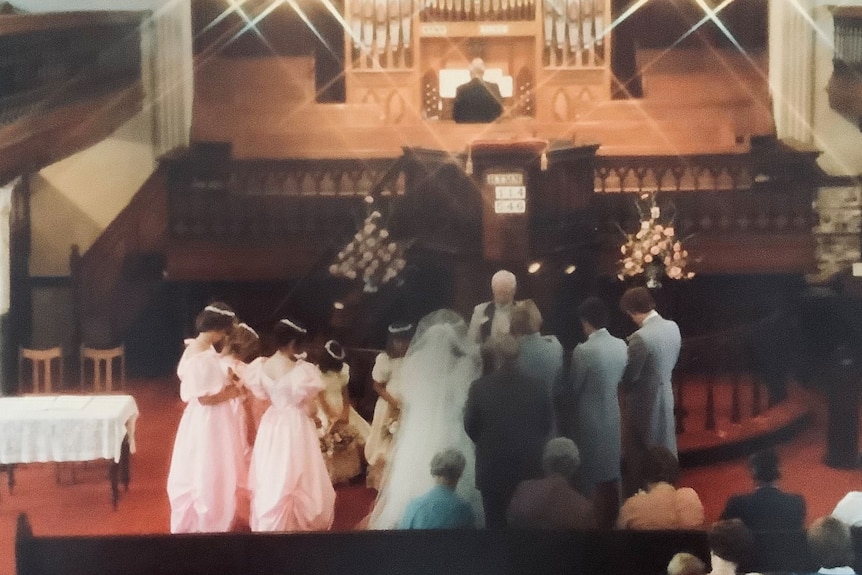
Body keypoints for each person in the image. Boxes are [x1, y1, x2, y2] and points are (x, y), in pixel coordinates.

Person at [369, 309, 484, 529]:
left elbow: (409, 395)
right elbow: (463, 401)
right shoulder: (461, 367)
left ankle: (414, 511)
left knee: (413, 466)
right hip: (451, 426)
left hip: (420, 427)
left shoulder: (415, 364)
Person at [244, 318, 336, 532]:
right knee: (298, 468)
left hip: (273, 421)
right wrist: (317, 419)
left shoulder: (261, 366)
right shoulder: (303, 371)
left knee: (274, 469)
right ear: (293, 342)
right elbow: (311, 409)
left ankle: (272, 516)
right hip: (295, 423)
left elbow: (262, 396)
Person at [167, 302, 247, 533]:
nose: (224, 336)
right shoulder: (201, 356)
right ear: (216, 329)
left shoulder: (200, 349)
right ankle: (210, 518)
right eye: (223, 331)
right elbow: (205, 398)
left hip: (209, 417)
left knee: (215, 464)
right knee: (209, 466)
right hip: (209, 419)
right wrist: (233, 392)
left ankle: (217, 511)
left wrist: (226, 379)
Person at [464, 334, 553, 528]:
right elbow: (546, 424)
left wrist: (489, 441)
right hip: (529, 466)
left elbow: (470, 427)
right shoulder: (538, 386)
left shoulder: (479, 387)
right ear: (518, 355)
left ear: (496, 356)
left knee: (495, 526)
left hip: (492, 467)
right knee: (528, 528)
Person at [568, 296, 628, 529]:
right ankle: (616, 515)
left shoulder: (583, 351)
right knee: (612, 466)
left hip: (588, 415)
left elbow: (575, 386)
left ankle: (590, 518)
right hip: (612, 412)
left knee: (589, 469)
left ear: (585, 322)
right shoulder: (621, 345)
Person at [619, 286, 681, 496]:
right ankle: (668, 492)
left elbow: (629, 377)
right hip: (666, 394)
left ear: (632, 311)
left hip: (643, 402)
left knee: (640, 454)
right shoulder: (673, 327)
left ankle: (643, 499)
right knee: (665, 446)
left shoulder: (640, 338)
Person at [506, 437, 597, 530]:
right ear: (573, 466)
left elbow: (510, 523)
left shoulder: (523, 491)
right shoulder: (581, 507)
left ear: (545, 462)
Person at [365, 321, 412, 490]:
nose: (401, 345)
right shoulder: (385, 359)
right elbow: (377, 386)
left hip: (407, 406)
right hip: (388, 404)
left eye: (404, 341)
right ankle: (380, 480)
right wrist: (394, 402)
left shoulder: (412, 358)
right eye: (397, 341)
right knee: (384, 441)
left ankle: (397, 479)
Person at [316, 339, 371, 485]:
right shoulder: (316, 373)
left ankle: (345, 473)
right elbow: (320, 397)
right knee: (327, 439)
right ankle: (329, 474)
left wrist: (345, 413)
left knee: (347, 438)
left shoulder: (342, 371)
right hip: (325, 407)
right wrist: (331, 417)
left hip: (340, 406)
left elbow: (345, 394)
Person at [616, 445, 704, 530]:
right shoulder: (690, 497)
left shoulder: (631, 507)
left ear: (644, 473)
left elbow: (619, 539)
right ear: (675, 471)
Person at [719, 447, 805, 531]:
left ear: (753, 472)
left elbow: (720, 532)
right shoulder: (796, 502)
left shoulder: (737, 503)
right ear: (779, 470)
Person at [399, 448, 476, 529]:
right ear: (459, 474)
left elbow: (402, 539)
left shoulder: (413, 506)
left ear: (434, 472)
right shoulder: (465, 510)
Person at [511, 299, 564, 411]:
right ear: (538, 319)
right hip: (549, 415)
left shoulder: (513, 354)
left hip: (520, 416)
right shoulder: (555, 345)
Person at [468, 269, 518, 347]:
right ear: (493, 289)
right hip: (487, 357)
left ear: (514, 290)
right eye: (499, 292)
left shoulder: (522, 311)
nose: (501, 296)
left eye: (505, 292)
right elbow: (471, 342)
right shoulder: (480, 310)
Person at [452, 57, 503, 123]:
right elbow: (499, 113)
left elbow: (456, 116)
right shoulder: (494, 88)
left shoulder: (461, 89)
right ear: (483, 72)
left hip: (466, 130)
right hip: (489, 130)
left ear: (470, 73)